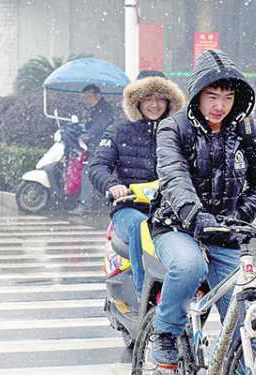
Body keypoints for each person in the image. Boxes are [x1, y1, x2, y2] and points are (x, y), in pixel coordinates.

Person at [150, 49, 256, 373]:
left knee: (241, 307)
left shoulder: (248, 131)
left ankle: (236, 364)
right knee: (190, 266)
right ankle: (166, 331)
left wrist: (240, 215)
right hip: (176, 226)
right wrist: (196, 216)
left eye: (229, 97)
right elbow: (174, 177)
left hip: (225, 231)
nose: (220, 105)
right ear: (196, 95)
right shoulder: (173, 128)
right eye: (212, 96)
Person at [88, 72, 185, 298]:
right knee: (140, 227)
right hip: (129, 209)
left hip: (171, 210)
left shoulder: (179, 131)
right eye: (147, 97)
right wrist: (113, 186)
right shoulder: (119, 130)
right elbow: (97, 166)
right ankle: (145, 296)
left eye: (160, 98)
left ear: (169, 101)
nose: (154, 104)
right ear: (136, 101)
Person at [69, 84, 115, 215]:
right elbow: (90, 125)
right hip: (95, 146)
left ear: (98, 95)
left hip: (103, 148)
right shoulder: (95, 109)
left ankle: (84, 205)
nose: (86, 100)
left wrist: (89, 134)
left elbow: (100, 125)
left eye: (89, 96)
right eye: (84, 97)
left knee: (87, 172)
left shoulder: (105, 109)